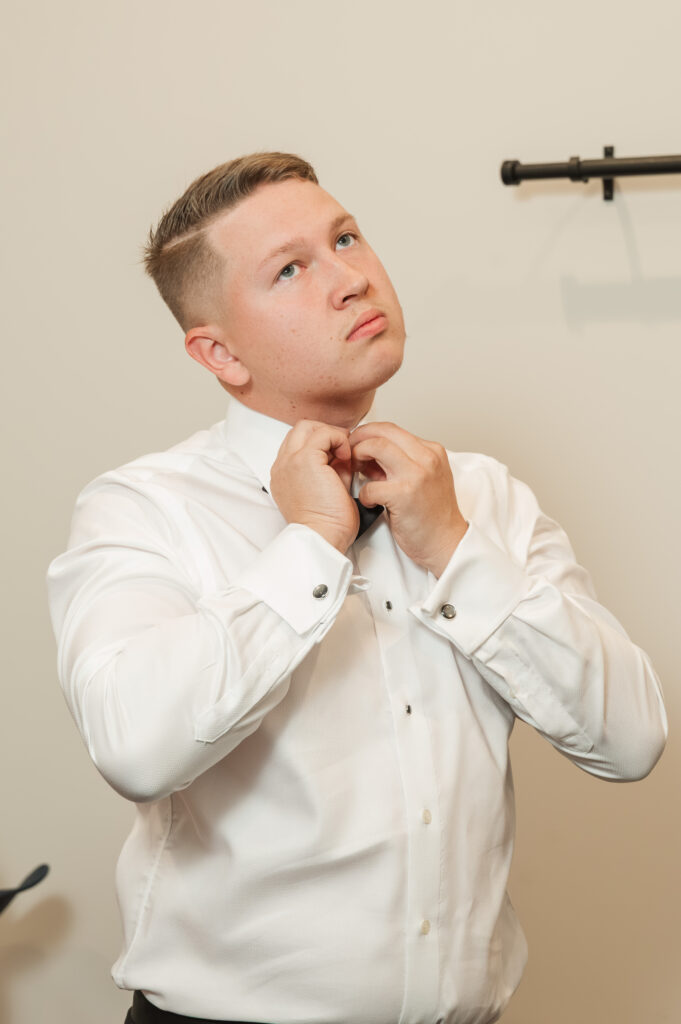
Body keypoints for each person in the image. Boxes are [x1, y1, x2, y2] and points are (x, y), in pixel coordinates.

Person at [47, 152, 667, 1024]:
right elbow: (134, 748)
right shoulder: (143, 509)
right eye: (290, 269)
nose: (349, 278)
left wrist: (453, 549)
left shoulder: (481, 498)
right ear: (218, 353)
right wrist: (308, 544)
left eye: (345, 237)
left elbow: (630, 740)